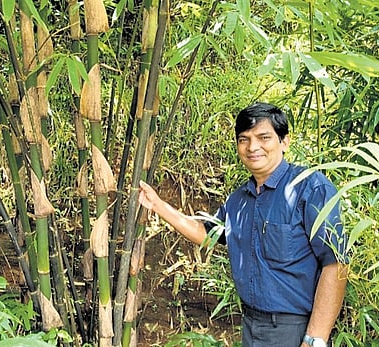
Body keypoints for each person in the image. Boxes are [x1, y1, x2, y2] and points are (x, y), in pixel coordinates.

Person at [138, 102, 348, 347]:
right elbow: (207, 233)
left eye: (264, 137)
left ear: (284, 142)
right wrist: (159, 205)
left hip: (295, 329)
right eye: (244, 139)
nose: (252, 147)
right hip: (251, 325)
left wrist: (315, 340)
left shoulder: (310, 187)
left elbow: (336, 263)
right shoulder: (239, 200)